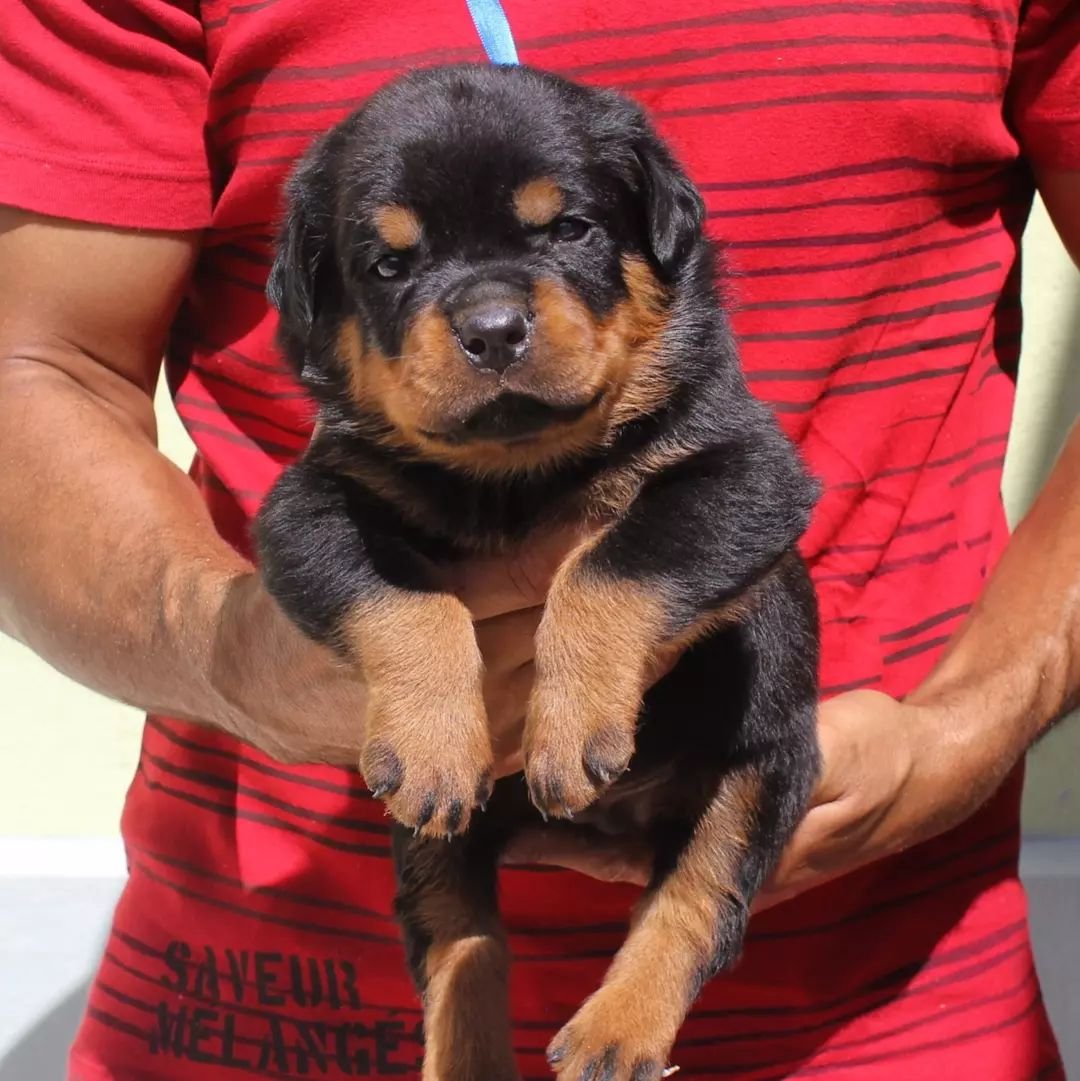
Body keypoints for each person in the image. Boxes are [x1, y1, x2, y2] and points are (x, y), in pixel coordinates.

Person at [0, 0, 1077, 1078]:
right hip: (277, 996)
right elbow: (36, 369)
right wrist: (254, 656)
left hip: (884, 992)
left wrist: (963, 733)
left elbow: (749, 491)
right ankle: (460, 999)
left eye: (564, 233)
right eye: (393, 267)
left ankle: (667, 953)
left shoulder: (696, 426)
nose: (491, 318)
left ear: (661, 241)